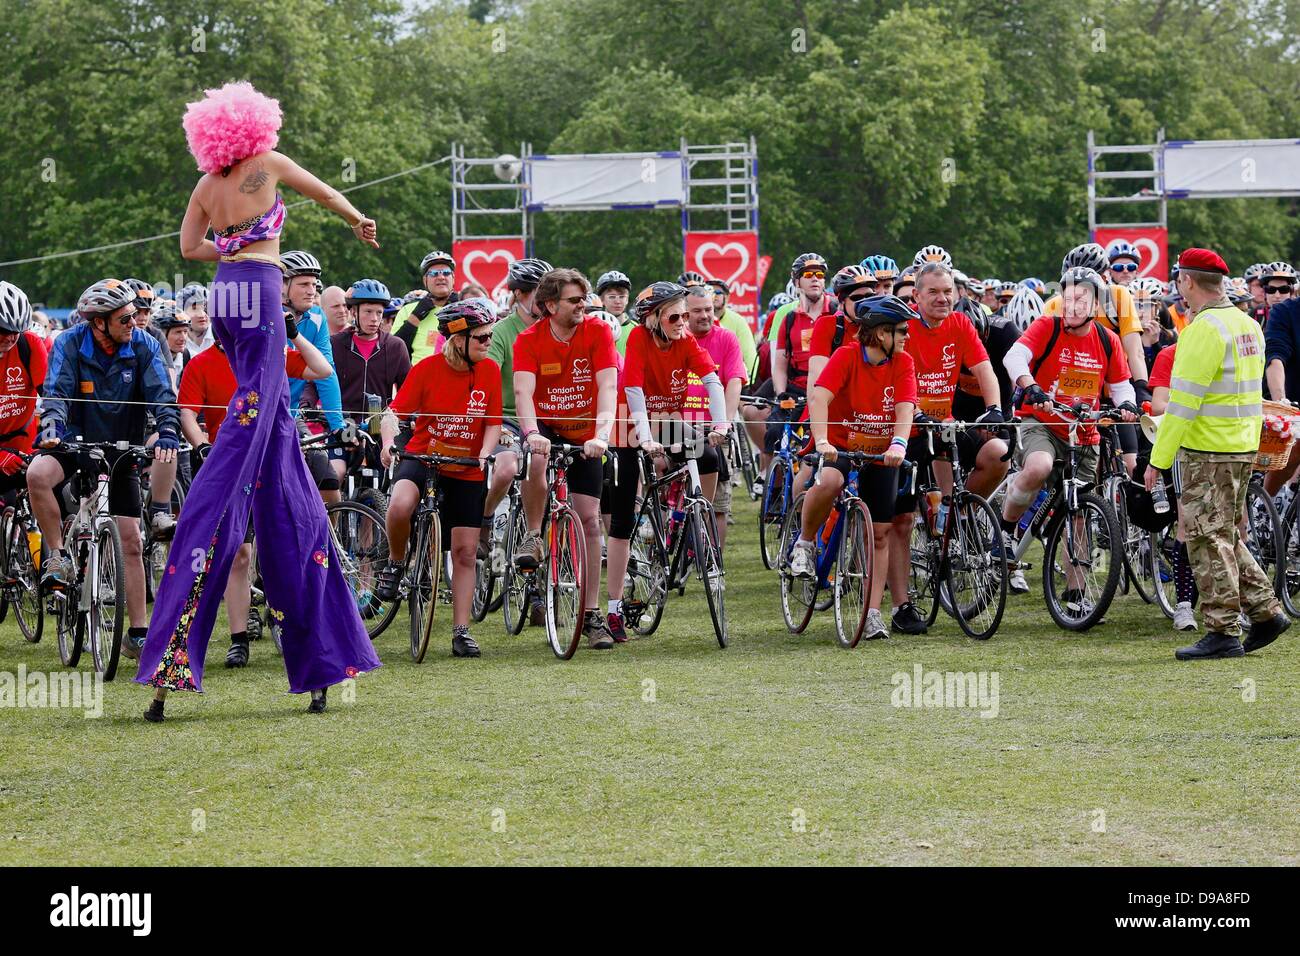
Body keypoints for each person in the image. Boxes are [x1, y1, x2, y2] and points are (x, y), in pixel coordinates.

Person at [134, 80, 381, 721]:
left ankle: (190, 662)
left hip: (224, 297)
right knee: (253, 432)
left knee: (268, 429)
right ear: (256, 128)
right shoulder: (266, 166)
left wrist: (230, 245)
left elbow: (189, 248)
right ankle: (319, 654)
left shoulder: (207, 186)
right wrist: (358, 220)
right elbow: (324, 193)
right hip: (266, 292)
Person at [1145, 247, 1289, 659]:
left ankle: (1223, 630)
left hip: (1207, 449)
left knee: (1205, 539)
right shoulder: (1247, 325)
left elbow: (1182, 405)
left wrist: (1159, 457)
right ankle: (1264, 611)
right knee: (1222, 534)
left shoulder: (1203, 330)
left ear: (1186, 282)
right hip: (1242, 446)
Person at [31, 279, 177, 662]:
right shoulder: (68, 342)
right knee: (36, 475)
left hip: (121, 448)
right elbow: (57, 392)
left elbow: (162, 394)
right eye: (124, 317)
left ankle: (138, 634)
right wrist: (51, 428)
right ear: (98, 323)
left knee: (131, 539)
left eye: (134, 314)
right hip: (74, 443)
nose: (133, 321)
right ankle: (59, 556)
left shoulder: (143, 344)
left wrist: (167, 430)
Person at [177, 318, 336, 667]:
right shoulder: (202, 363)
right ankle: (238, 638)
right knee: (238, 554)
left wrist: (293, 334)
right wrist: (201, 443)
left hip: (275, 463)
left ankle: (293, 629)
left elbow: (321, 368)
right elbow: (187, 412)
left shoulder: (273, 357)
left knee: (289, 547)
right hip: (232, 466)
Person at [1000, 267, 1138, 614]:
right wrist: (1029, 384)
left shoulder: (1107, 340)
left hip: (1083, 431)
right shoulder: (1048, 327)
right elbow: (1014, 356)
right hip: (1042, 421)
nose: (1073, 305)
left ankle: (1076, 593)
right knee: (1038, 467)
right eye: (1068, 297)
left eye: (1082, 298)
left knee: (1078, 512)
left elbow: (1121, 382)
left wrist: (1125, 405)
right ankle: (1004, 531)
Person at [603, 283, 728, 643]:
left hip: (668, 419)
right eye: (675, 316)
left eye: (686, 315)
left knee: (708, 453)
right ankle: (613, 609)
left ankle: (694, 518)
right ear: (652, 318)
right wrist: (644, 438)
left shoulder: (685, 340)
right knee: (624, 517)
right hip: (630, 423)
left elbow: (711, 380)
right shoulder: (639, 340)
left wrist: (720, 423)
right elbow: (634, 393)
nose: (683, 322)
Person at [376, 299, 502, 657]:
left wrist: (484, 452)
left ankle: (461, 631)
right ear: (458, 340)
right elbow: (392, 414)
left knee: (464, 553)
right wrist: (389, 444)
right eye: (481, 337)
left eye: (490, 335)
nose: (488, 341)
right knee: (400, 504)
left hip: (466, 465)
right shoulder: (427, 369)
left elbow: (492, 423)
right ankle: (397, 563)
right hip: (422, 457)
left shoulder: (490, 371)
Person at [888, 262, 1006, 634]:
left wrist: (994, 411)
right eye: (933, 292)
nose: (942, 298)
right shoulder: (902, 327)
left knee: (998, 453)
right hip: (906, 427)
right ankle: (901, 605)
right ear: (917, 296)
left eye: (947, 292)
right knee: (902, 521)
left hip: (945, 426)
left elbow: (984, 368)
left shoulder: (959, 323)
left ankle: (957, 517)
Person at [791, 294, 916, 640]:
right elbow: (819, 398)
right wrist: (822, 441)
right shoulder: (846, 356)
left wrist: (899, 444)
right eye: (901, 330)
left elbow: (905, 407)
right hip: (841, 444)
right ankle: (804, 542)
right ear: (880, 334)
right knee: (830, 480)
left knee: (880, 532)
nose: (907, 336)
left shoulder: (903, 362)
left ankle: (873, 612)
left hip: (881, 450)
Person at [512, 267, 618, 647]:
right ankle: (534, 535)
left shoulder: (599, 332)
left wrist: (602, 435)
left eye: (585, 300)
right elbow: (524, 394)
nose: (583, 307)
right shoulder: (528, 340)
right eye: (575, 301)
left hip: (589, 432)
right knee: (536, 459)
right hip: (547, 428)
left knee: (590, 520)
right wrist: (531, 433)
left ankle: (591, 614)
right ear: (550, 304)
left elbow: (608, 385)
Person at [482, 257, 551, 623]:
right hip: (507, 416)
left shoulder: (554, 330)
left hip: (547, 419)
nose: (546, 303)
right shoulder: (502, 331)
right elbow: (489, 374)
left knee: (557, 495)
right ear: (521, 295)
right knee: (508, 468)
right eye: (541, 296)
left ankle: (540, 590)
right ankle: (486, 515)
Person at [1043, 243, 1150, 474]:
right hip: (1072, 395)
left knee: (1131, 466)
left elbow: (1135, 350)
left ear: (1104, 278)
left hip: (1113, 391)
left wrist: (1141, 387)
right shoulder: (1054, 305)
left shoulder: (1118, 296)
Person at [745, 253, 832, 474]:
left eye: (820, 274)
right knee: (774, 433)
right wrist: (781, 392)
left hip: (829, 387)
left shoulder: (836, 312)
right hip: (796, 386)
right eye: (808, 274)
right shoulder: (789, 319)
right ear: (796, 282)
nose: (815, 279)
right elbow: (780, 363)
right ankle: (773, 486)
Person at [280, 250, 349, 502]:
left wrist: (338, 425)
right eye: (304, 284)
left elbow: (326, 374)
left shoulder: (317, 317)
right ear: (283, 285)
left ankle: (327, 543)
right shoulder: (265, 316)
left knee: (328, 480)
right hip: (257, 414)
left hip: (291, 414)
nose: (312, 290)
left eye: (314, 284)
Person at [683, 284, 747, 549]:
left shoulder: (727, 338)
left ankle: (713, 563)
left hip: (714, 429)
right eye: (697, 311)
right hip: (680, 425)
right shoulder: (676, 339)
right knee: (669, 494)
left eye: (708, 309)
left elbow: (734, 382)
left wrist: (725, 424)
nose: (705, 315)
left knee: (718, 505)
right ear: (685, 314)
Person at [330, 278, 410, 439]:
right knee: (336, 465)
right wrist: (307, 405)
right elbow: (316, 384)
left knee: (386, 464)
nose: (374, 318)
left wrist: (413, 415)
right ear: (353, 312)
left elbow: (407, 391)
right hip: (344, 425)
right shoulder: (335, 343)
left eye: (379, 312)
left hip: (380, 428)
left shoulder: (396, 346)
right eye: (368, 311)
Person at [0, 282, 48, 502]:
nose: (10, 338)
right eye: (3, 331)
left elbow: (51, 395)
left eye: (16, 331)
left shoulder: (28, 344)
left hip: (22, 442)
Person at [1261, 271, 1300, 498]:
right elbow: (1275, 358)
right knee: (1293, 451)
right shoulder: (1285, 312)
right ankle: (1268, 501)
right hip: (1292, 397)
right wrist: (1281, 404)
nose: (1277, 294)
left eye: (1282, 289)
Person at [393, 250, 459, 365]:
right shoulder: (408, 310)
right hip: (418, 377)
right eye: (434, 273)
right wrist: (415, 317)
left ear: (453, 278)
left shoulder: (464, 307)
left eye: (446, 273)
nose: (441, 277)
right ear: (425, 280)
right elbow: (393, 349)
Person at [707, 278, 758, 380]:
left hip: (732, 378)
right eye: (709, 291)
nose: (714, 295)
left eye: (718, 292)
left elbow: (750, 354)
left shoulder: (738, 321)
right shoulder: (698, 319)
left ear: (727, 297)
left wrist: (755, 382)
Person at [595, 270, 635, 354]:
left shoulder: (636, 329)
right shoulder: (593, 327)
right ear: (601, 300)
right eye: (612, 297)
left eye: (622, 297)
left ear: (627, 300)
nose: (617, 301)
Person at [178, 282, 214, 356]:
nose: (202, 314)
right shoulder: (176, 341)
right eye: (194, 309)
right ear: (182, 312)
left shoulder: (222, 336)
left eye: (205, 308)